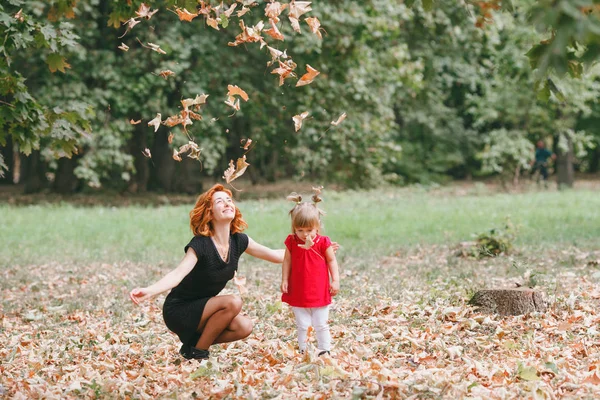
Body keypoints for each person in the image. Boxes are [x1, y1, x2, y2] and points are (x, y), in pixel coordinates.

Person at [129, 184, 286, 361]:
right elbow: (177, 274)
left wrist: (306, 250)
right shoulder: (201, 244)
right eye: (220, 201)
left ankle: (193, 346)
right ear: (210, 213)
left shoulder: (239, 240)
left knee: (244, 326)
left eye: (229, 200)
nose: (227, 204)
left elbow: (274, 255)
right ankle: (199, 353)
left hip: (206, 309)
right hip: (180, 309)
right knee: (233, 302)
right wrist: (150, 291)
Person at [280, 189, 340, 356]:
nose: (305, 234)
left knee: (321, 322)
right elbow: (287, 261)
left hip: (319, 288)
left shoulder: (323, 242)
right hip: (299, 288)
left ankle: (324, 349)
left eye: (309, 230)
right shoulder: (291, 241)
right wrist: (285, 279)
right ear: (294, 228)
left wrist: (335, 280)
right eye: (300, 230)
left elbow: (331, 260)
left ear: (317, 227)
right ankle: (303, 349)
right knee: (302, 324)